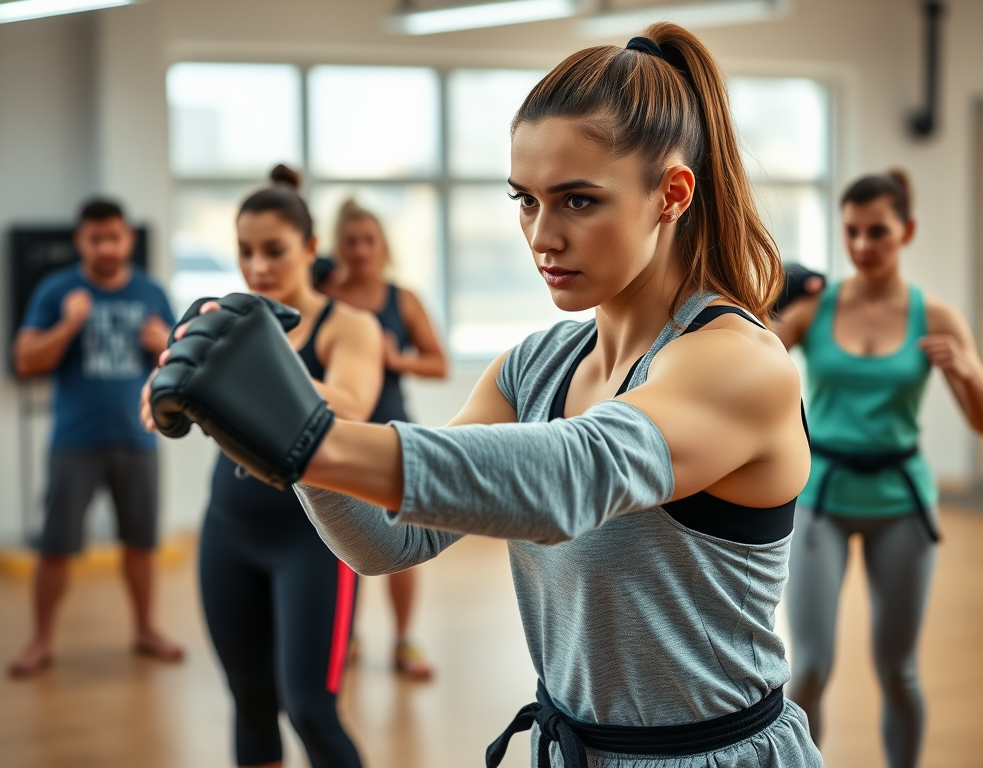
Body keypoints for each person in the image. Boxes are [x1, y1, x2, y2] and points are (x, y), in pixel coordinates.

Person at [144, 24, 822, 768]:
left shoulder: (740, 362)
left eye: (578, 201)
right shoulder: (533, 367)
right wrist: (277, 423)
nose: (541, 236)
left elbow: (570, 475)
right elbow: (388, 539)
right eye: (525, 201)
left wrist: (307, 433)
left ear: (672, 192)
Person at [773, 170, 983, 768]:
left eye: (877, 233)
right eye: (851, 232)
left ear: (907, 231)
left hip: (901, 506)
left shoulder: (938, 317)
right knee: (812, 669)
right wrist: (772, 295)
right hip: (820, 499)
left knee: (898, 670)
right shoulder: (815, 309)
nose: (862, 247)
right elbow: (744, 355)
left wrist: (965, 371)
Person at [193, 165, 382, 768]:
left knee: (310, 710)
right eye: (245, 252)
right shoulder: (228, 321)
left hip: (313, 540)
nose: (258, 267)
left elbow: (350, 404)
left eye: (273, 251)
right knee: (249, 701)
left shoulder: (346, 325)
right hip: (228, 529)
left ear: (309, 249)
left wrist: (253, 366)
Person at [8, 198, 182, 678]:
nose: (106, 247)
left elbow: (182, 363)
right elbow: (25, 361)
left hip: (138, 437)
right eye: (95, 238)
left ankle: (146, 628)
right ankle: (40, 640)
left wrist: (164, 344)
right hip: (75, 442)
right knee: (55, 546)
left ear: (128, 239)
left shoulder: (150, 291)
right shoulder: (57, 289)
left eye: (115, 237)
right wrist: (69, 324)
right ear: (80, 241)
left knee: (141, 543)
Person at [314, 199, 448, 680]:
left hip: (394, 434)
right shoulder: (325, 300)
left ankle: (404, 639)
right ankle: (346, 635)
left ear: (382, 246)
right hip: (342, 435)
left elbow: (438, 363)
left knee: (401, 541)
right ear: (339, 247)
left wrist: (398, 360)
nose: (361, 250)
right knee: (345, 544)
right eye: (351, 241)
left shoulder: (402, 299)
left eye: (369, 240)